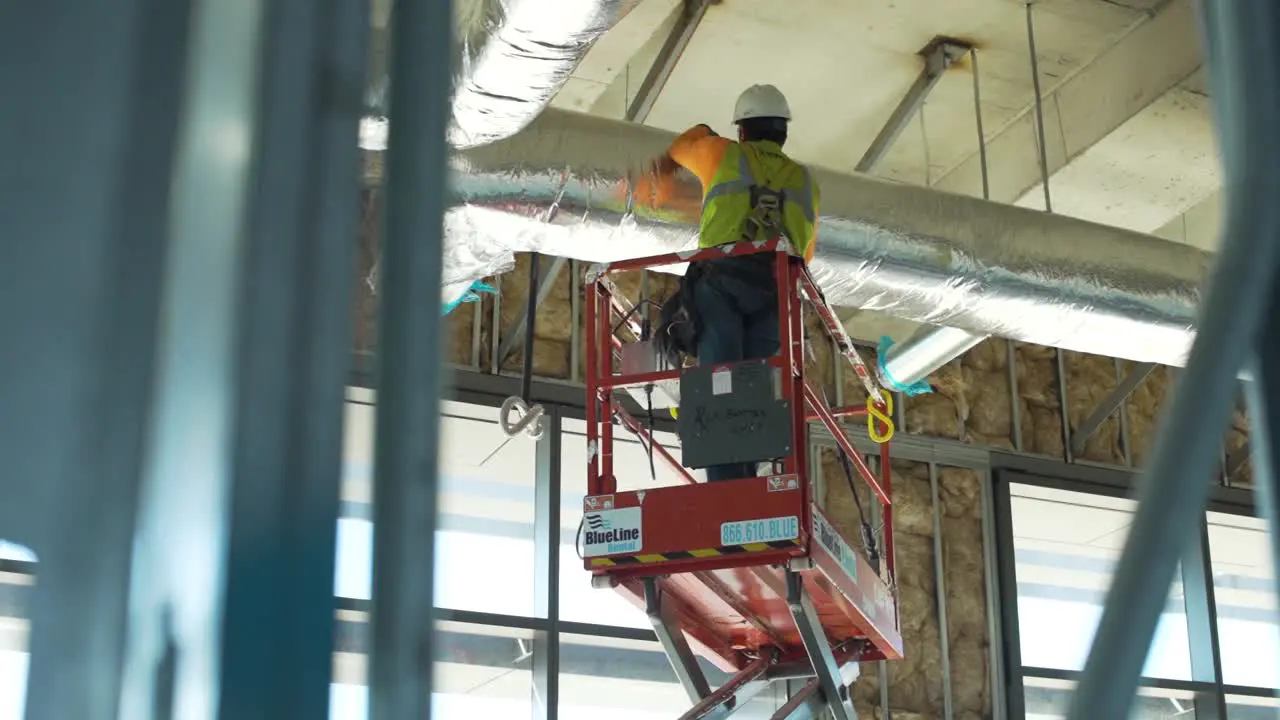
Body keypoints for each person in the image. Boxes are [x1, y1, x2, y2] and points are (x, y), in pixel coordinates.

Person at [643, 84, 821, 481]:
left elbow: (680, 147)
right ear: (784, 133)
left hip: (723, 283)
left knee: (720, 385)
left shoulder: (724, 153)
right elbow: (805, 252)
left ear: (742, 130)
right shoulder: (805, 180)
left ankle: (726, 493)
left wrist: (706, 129)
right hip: (777, 293)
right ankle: (748, 487)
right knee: (753, 392)